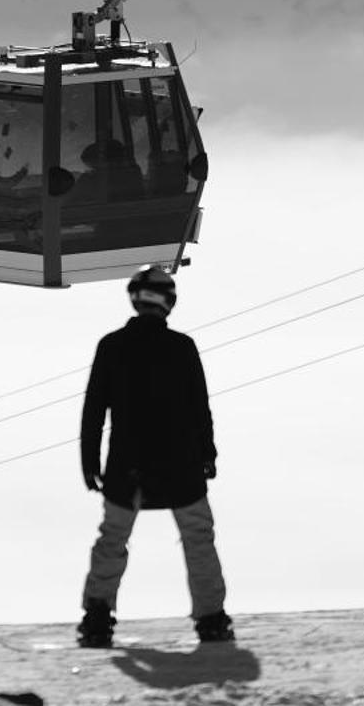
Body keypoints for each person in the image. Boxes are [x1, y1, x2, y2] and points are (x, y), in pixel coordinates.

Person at [76, 266, 233, 647]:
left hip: (127, 466)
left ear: (134, 297)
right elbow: (200, 408)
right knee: (198, 538)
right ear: (169, 301)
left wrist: (89, 461)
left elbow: (94, 409)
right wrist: (208, 455)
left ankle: (98, 619)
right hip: (181, 463)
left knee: (112, 538)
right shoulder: (182, 347)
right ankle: (211, 620)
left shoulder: (111, 345)